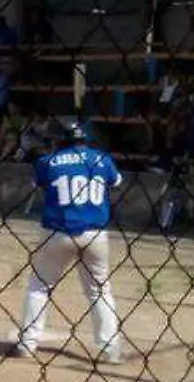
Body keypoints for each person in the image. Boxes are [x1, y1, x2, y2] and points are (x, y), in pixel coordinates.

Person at [12, 119, 124, 362]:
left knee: (39, 288)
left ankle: (27, 344)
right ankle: (110, 349)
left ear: (61, 140)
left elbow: (37, 183)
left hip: (56, 232)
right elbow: (116, 182)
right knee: (100, 291)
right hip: (95, 233)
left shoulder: (48, 162)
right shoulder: (102, 159)